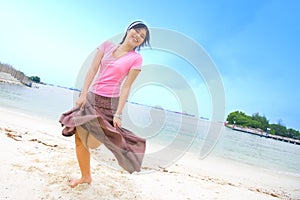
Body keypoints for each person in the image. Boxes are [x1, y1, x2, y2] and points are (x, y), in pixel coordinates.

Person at [59, 21, 150, 188]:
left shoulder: (136, 59)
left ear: (143, 42)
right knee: (79, 139)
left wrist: (119, 113)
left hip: (109, 103)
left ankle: (109, 136)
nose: (137, 36)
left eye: (142, 36)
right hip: (92, 97)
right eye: (136, 31)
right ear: (128, 30)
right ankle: (86, 177)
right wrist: (83, 93)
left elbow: (126, 86)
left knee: (93, 142)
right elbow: (93, 69)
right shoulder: (106, 46)